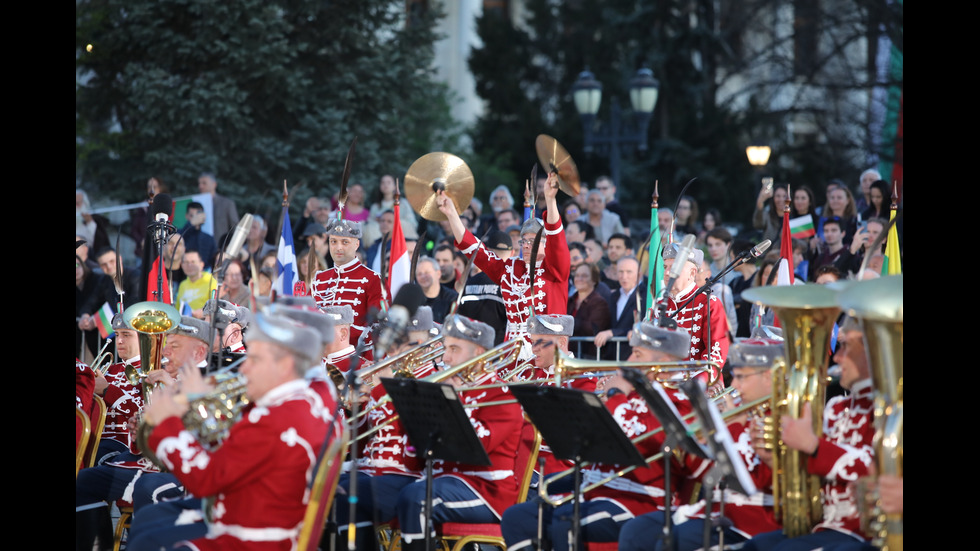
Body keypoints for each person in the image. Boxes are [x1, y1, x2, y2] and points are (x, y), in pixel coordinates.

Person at [135, 311, 343, 551]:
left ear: (285, 364)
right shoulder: (310, 400)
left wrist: (167, 424)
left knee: (147, 539)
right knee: (148, 523)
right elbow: (236, 454)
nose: (243, 369)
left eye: (254, 359)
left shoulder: (278, 416)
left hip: (253, 536)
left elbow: (205, 479)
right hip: (257, 519)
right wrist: (197, 407)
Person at [501, 321, 710, 551]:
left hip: (639, 499)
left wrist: (615, 393)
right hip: (596, 489)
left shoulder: (680, 406)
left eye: (637, 354)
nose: (628, 362)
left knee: (566, 522)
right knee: (517, 518)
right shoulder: (632, 395)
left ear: (665, 361)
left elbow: (631, 433)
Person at [618, 334, 785, 551]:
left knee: (674, 541)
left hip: (749, 520)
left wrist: (734, 427)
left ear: (769, 376)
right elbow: (702, 473)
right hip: (711, 509)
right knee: (635, 532)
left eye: (742, 377)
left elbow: (755, 482)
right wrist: (691, 443)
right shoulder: (742, 412)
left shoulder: (785, 418)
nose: (733, 385)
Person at [75, 316, 212, 551]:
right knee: (84, 480)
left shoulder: (210, 379)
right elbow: (142, 445)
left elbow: (208, 434)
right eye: (167, 343)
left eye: (175, 346)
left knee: (148, 487)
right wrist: (140, 430)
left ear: (199, 352)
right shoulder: (160, 378)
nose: (165, 350)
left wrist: (172, 387)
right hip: (145, 463)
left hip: (184, 471)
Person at [743, 317, 875, 551]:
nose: (836, 357)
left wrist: (813, 445)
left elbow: (874, 466)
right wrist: (774, 459)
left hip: (865, 533)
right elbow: (814, 475)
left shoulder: (891, 410)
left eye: (846, 347)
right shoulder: (836, 407)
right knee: (755, 547)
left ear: (871, 351)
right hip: (824, 526)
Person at [395, 315, 524, 551]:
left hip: (487, 492)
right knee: (387, 492)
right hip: (443, 482)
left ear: (478, 352)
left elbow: (474, 447)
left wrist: (454, 406)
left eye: (454, 349)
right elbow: (412, 459)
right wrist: (413, 427)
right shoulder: (448, 391)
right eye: (445, 348)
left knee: (417, 499)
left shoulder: (501, 397)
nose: (445, 358)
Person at [438, 172, 570, 357]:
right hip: (511, 353)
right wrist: (452, 214)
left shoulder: (555, 270)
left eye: (533, 241)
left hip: (547, 352)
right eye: (524, 241)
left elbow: (557, 238)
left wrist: (550, 200)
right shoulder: (509, 269)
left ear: (546, 245)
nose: (526, 245)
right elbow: (477, 251)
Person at [654, 242, 731, 386]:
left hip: (702, 387)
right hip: (664, 384)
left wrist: (696, 384)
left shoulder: (709, 303)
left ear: (692, 273)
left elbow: (716, 354)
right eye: (665, 267)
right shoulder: (659, 305)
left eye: (674, 267)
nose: (666, 272)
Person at [311, 219, 385, 346]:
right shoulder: (319, 278)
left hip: (356, 357)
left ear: (356, 245)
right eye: (333, 242)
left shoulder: (373, 279)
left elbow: (377, 326)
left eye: (345, 242)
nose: (338, 247)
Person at [457, 229, 511, 345]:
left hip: (471, 350)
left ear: (489, 252)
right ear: (512, 253)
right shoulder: (511, 285)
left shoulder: (470, 282)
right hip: (499, 353)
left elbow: (459, 319)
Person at [594, 255, 645, 361]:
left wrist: (613, 333)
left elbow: (645, 325)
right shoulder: (613, 296)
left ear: (639, 275)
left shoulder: (647, 297)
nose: (624, 276)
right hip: (612, 359)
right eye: (621, 272)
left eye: (629, 272)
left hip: (634, 358)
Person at [568, 262, 611, 360]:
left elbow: (593, 329)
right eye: (577, 275)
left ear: (594, 280)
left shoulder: (599, 302)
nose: (579, 279)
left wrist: (568, 322)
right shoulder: (570, 301)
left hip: (588, 356)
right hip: (570, 354)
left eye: (584, 276)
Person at [197, 172, 240, 246]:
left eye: (204, 183)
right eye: (199, 183)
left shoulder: (226, 204)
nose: (200, 186)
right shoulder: (196, 204)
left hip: (220, 248)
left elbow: (235, 228)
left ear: (214, 185)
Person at [175, 249, 218, 319]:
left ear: (202, 264)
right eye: (186, 262)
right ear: (181, 265)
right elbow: (177, 310)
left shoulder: (212, 282)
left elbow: (216, 307)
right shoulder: (182, 285)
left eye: (193, 262)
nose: (189, 265)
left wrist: (204, 312)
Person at [415, 256, 458, 322]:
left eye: (427, 272)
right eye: (419, 274)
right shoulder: (414, 300)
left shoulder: (452, 298)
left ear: (438, 274)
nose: (423, 276)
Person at [178, 201, 219, 270]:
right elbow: (177, 241)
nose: (195, 218)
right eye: (192, 216)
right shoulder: (180, 233)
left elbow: (214, 260)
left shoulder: (209, 238)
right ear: (186, 216)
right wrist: (190, 224)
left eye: (197, 215)